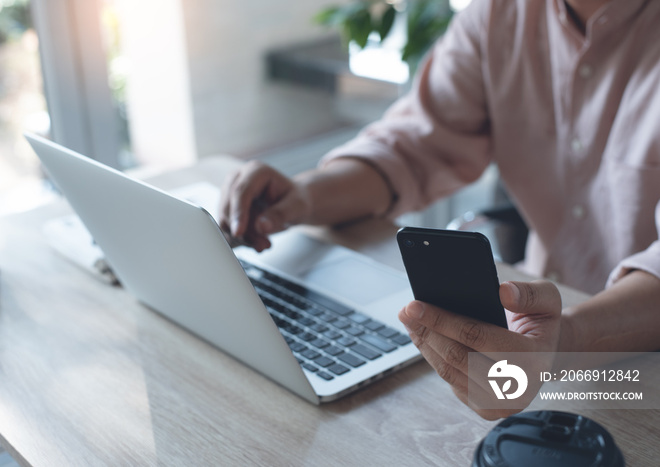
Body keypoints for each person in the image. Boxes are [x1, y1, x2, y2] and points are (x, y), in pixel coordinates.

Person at [219, 0, 660, 419]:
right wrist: (305, 195)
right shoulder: (498, 15)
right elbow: (416, 142)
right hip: (532, 337)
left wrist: (568, 338)